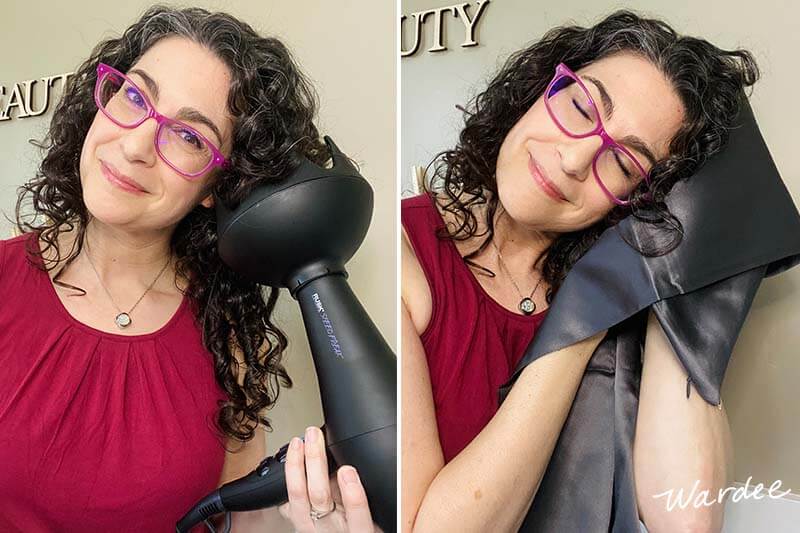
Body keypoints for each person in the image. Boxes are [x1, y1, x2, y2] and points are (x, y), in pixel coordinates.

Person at [0, 5, 374, 532]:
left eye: (189, 137)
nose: (134, 146)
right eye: (134, 96)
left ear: (215, 190)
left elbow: (241, 524)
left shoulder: (228, 334)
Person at [401, 10, 759, 532]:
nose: (573, 159)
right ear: (540, 86)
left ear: (642, 201)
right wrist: (579, 321)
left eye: (622, 164)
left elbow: (690, 521)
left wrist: (659, 267)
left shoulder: (626, 296)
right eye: (579, 104)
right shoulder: (409, 257)